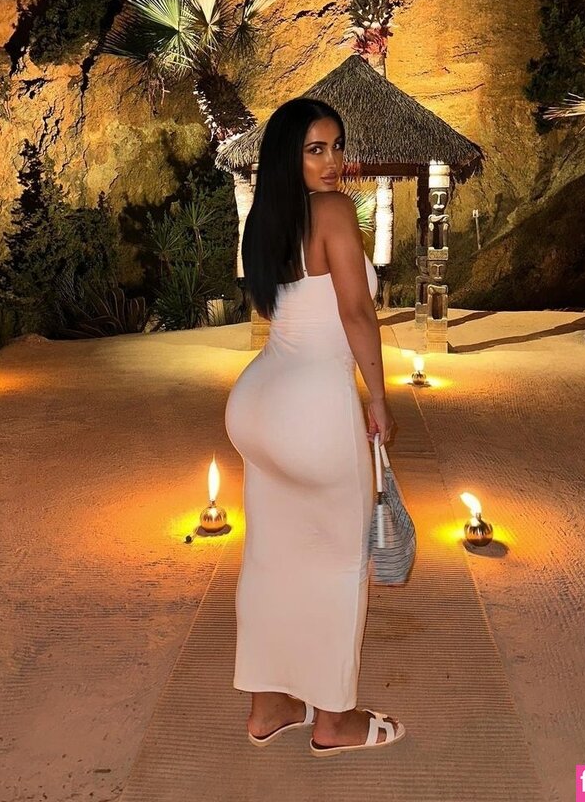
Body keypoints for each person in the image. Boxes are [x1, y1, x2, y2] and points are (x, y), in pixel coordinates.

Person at [224, 97, 406, 757]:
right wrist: (378, 398)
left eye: (336, 147)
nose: (333, 162)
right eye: (315, 149)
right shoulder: (333, 211)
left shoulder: (264, 218)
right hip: (313, 409)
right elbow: (356, 312)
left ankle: (268, 707)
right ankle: (334, 719)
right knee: (339, 563)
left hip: (257, 405)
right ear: (289, 156)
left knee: (271, 556)